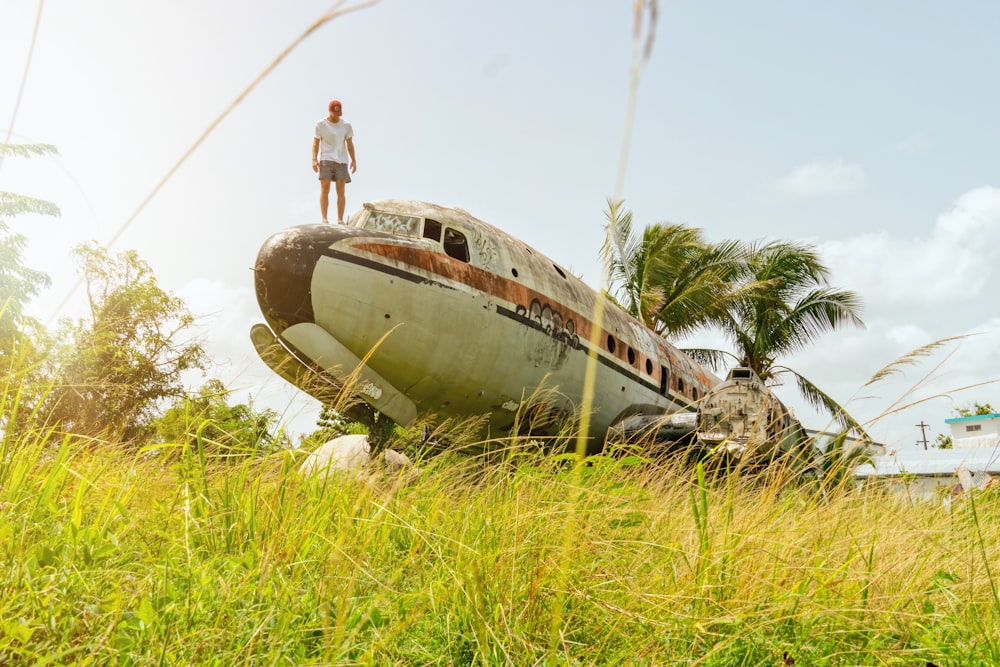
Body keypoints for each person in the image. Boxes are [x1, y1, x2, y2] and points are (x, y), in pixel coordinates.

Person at [312, 99, 356, 223]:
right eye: (334, 113)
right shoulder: (320, 124)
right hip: (326, 158)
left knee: (341, 190)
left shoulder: (346, 125)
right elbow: (315, 144)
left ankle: (340, 220)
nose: (336, 116)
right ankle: (324, 219)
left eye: (338, 114)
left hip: (341, 160)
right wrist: (314, 160)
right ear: (329, 111)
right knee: (325, 188)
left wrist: (354, 161)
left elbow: (350, 144)